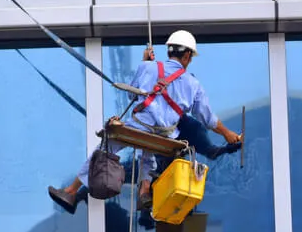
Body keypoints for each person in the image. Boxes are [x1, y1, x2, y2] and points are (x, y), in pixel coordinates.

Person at [47, 30, 242, 214]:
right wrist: (227, 134)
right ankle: (144, 191)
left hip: (139, 128)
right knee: (148, 148)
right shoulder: (193, 84)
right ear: (187, 55)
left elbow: (132, 94)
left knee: (105, 148)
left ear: (170, 51)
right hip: (165, 137)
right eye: (190, 58)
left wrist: (145, 63)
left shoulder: (147, 67)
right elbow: (208, 118)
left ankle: (71, 191)